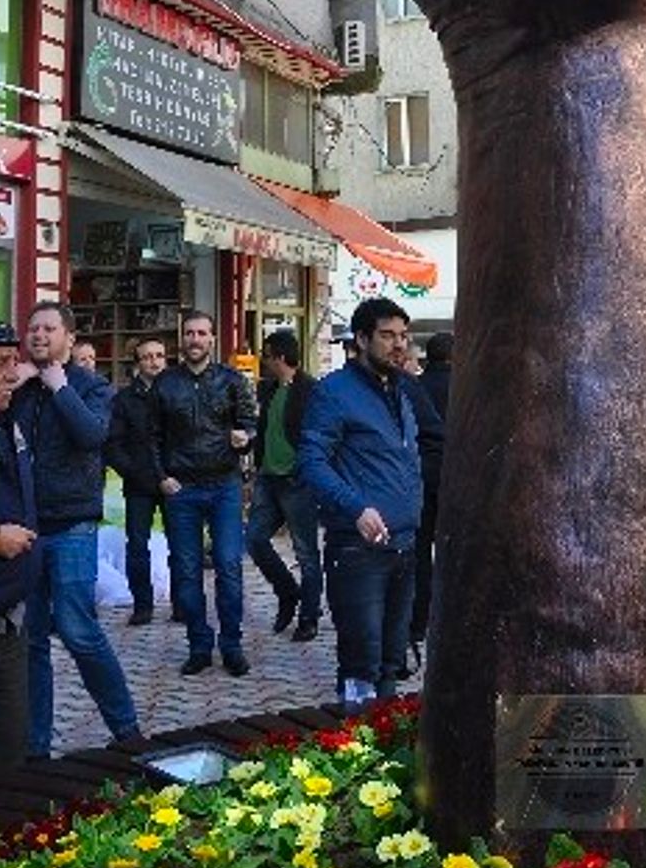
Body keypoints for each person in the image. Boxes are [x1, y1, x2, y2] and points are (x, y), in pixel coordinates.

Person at [12, 302, 144, 757]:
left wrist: (61, 388)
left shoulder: (92, 387)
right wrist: (19, 386)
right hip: (27, 528)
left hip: (73, 526)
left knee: (77, 628)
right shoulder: (22, 388)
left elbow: (92, 436)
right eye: (33, 329)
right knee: (32, 639)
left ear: (69, 337)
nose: (39, 335)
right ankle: (35, 745)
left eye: (49, 328)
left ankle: (126, 729)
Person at [299, 296, 443, 703]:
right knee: (361, 661)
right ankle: (355, 747)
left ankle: (381, 749)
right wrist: (355, 507)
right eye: (386, 335)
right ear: (361, 339)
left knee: (392, 661)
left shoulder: (402, 390)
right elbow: (311, 461)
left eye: (403, 336)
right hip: (358, 549)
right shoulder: (334, 392)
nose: (398, 344)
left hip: (405, 544)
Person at [152, 309, 256, 677]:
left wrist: (246, 439)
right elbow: (151, 437)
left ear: (213, 339)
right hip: (181, 489)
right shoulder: (164, 383)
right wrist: (161, 476)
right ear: (182, 339)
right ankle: (198, 644)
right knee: (186, 571)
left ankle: (231, 644)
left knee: (229, 565)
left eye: (202, 333)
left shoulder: (231, 380)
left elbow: (250, 423)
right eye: (190, 333)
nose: (195, 339)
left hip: (224, 484)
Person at [246, 328, 321, 642]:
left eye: (267, 355)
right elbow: (263, 429)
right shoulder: (267, 389)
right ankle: (288, 592)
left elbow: (318, 435)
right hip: (268, 478)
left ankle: (309, 616)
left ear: (279, 356)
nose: (264, 362)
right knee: (255, 540)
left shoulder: (310, 390)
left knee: (305, 553)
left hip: (297, 481)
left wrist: (307, 469)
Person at [106, 337, 178, 626]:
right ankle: (143, 605)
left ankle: (182, 603)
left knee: (181, 546)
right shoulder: (123, 400)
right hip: (139, 484)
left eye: (159, 355)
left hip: (174, 482)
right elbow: (113, 444)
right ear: (138, 363)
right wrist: (134, 472)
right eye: (147, 356)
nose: (154, 361)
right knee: (137, 545)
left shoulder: (177, 393)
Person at [0, 321, 39, 770]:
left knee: (11, 753)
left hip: (10, 615)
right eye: (1, 365)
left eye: (13, 362)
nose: (12, 374)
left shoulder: (10, 420)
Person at [410, 330, 453, 660]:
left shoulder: (417, 387)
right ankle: (451, 618)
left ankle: (419, 621)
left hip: (422, 478)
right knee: (454, 553)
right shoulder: (466, 387)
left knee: (420, 552)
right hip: (456, 479)